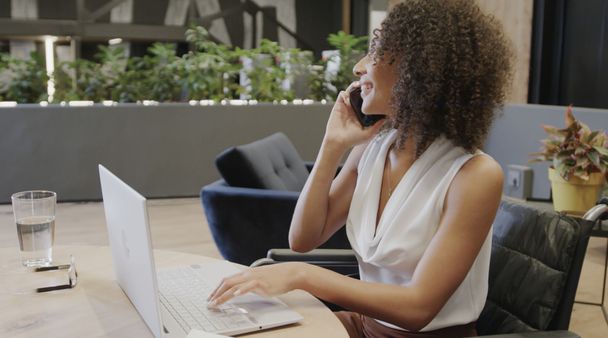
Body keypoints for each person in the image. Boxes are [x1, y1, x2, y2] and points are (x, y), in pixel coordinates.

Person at [208, 0, 513, 336]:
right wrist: (332, 144)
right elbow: (303, 238)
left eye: (375, 53)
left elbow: (418, 308)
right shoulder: (372, 148)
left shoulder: (474, 175)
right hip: (364, 326)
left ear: (419, 69)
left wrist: (303, 275)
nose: (358, 67)